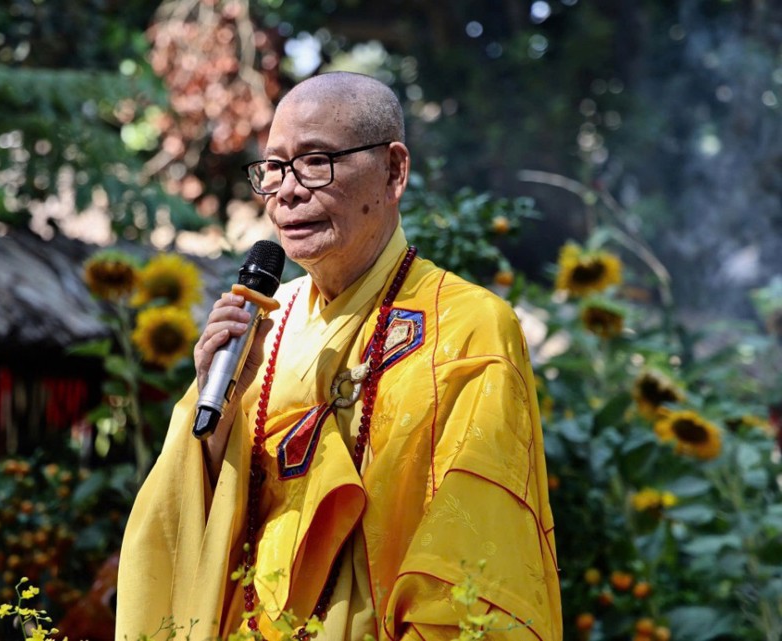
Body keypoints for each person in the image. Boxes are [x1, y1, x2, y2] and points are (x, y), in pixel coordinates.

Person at [115, 71, 561, 641]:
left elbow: (472, 548)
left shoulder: (468, 328)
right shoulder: (258, 327)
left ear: (393, 171)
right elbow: (182, 521)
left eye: (316, 161)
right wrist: (218, 417)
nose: (287, 191)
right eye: (274, 167)